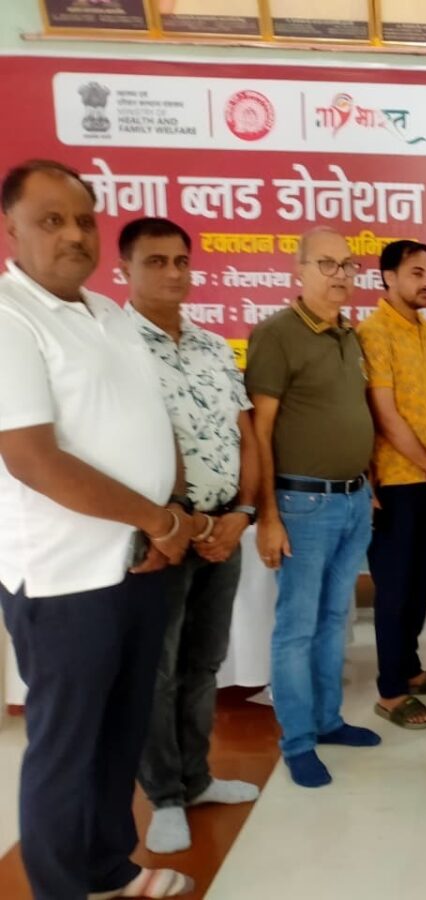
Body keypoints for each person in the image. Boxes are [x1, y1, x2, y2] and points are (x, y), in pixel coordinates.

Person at [0, 160, 195, 898]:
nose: (74, 234)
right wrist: (160, 519)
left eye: (84, 219)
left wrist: (171, 516)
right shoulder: (10, 318)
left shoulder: (108, 314)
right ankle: (60, 888)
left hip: (137, 561)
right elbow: (33, 459)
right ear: (12, 228)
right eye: (51, 220)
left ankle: (109, 869)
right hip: (65, 578)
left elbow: (150, 419)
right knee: (66, 746)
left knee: (119, 732)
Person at [122, 217, 261, 854]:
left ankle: (197, 777)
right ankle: (165, 795)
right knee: (158, 669)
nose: (174, 272)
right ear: (125, 269)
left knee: (204, 662)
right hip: (160, 535)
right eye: (156, 261)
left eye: (181, 260)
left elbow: (245, 433)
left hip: (222, 529)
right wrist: (175, 520)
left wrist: (243, 513)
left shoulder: (212, 346)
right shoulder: (118, 346)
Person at [246, 226, 381, 788]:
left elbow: (350, 415)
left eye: (347, 264)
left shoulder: (348, 334)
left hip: (353, 500)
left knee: (332, 621)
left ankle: (328, 721)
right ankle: (298, 741)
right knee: (296, 628)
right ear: (298, 270)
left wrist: (367, 484)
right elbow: (260, 430)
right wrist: (268, 515)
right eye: (327, 264)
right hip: (300, 504)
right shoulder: (277, 334)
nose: (340, 275)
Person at [358, 239, 426, 730]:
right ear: (388, 277)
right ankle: (391, 691)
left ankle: (411, 668)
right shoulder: (372, 332)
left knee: (420, 584)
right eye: (417, 272)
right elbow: (385, 414)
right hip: (396, 482)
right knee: (395, 589)